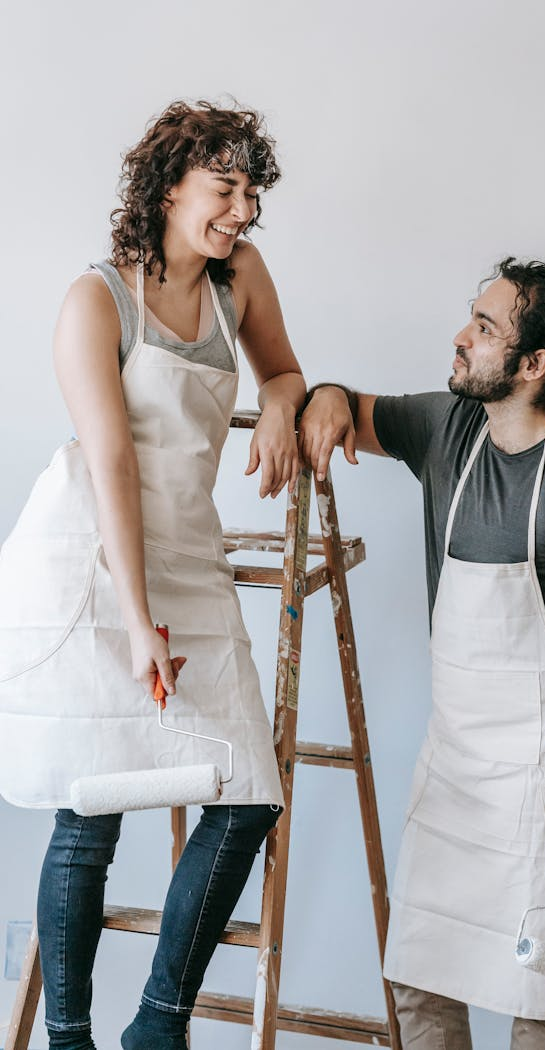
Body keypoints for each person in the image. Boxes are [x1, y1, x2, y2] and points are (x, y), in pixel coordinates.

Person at [0, 100, 306, 1050]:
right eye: (226, 188)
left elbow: (285, 373)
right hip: (96, 562)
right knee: (90, 809)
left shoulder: (239, 278)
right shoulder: (95, 299)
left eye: (252, 191)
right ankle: (70, 1039)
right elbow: (114, 468)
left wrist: (287, 406)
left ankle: (157, 1026)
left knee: (248, 793)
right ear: (170, 186)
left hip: (190, 550)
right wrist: (138, 622)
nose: (243, 210)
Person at [297, 258, 545, 1050]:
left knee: (537, 995)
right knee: (419, 979)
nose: (462, 338)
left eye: (485, 329)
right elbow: (344, 404)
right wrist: (322, 397)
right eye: (473, 318)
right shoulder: (445, 430)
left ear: (534, 365)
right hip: (455, 770)